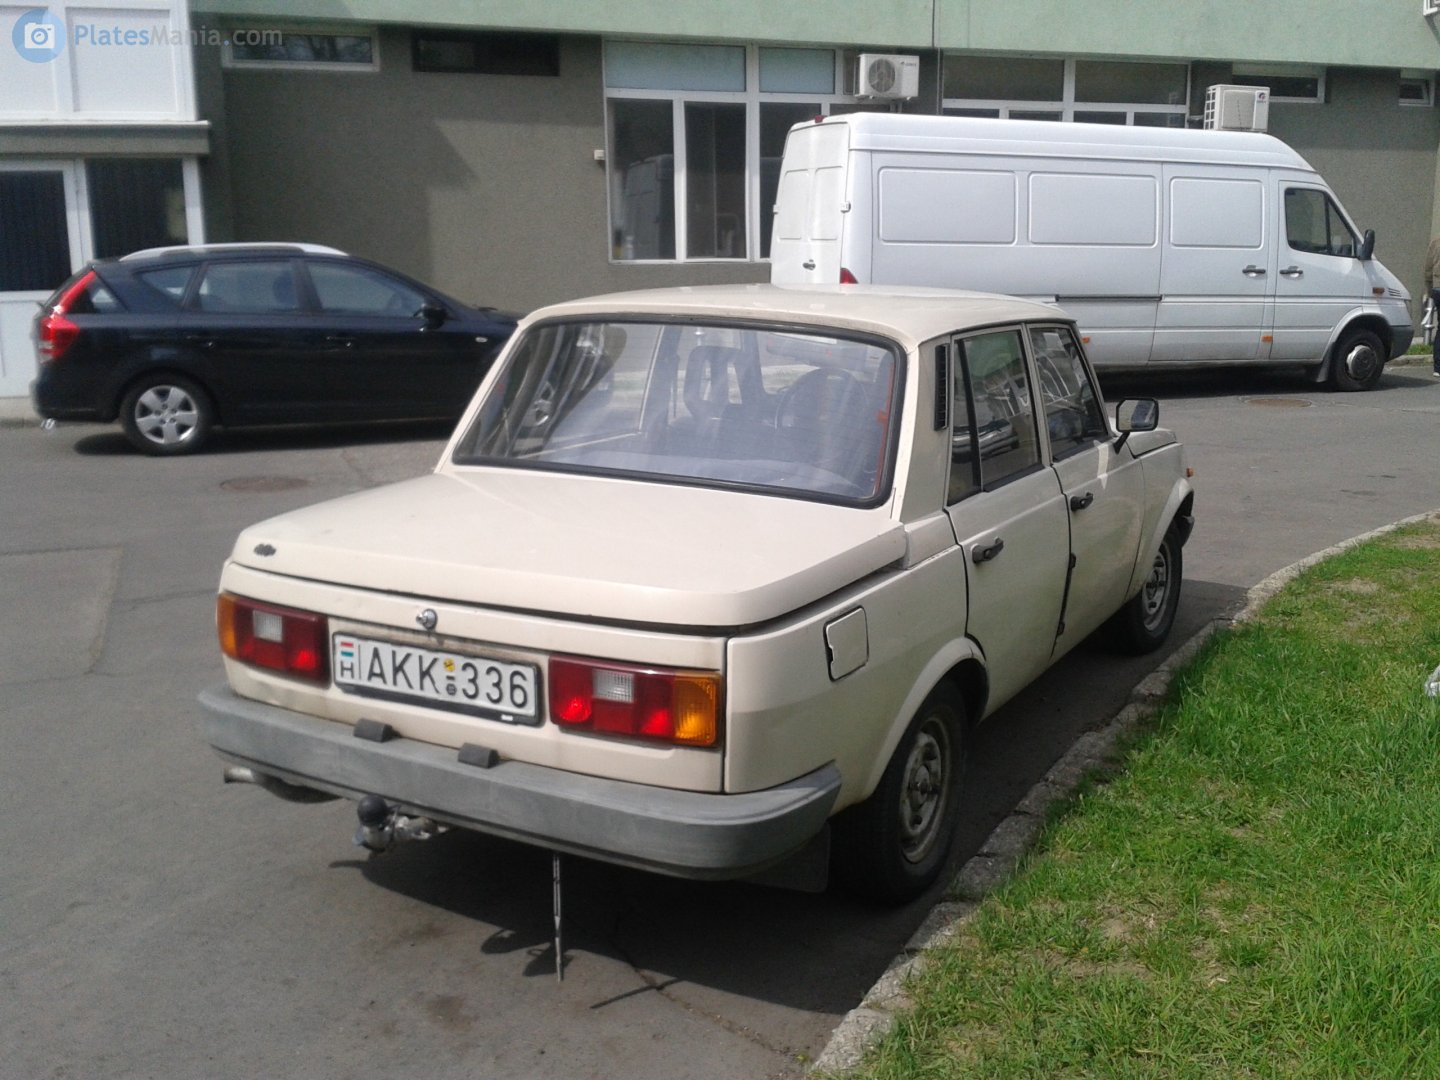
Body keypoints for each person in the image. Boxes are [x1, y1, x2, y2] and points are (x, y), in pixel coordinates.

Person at [1425, 235, 1440, 376]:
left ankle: (1438, 367)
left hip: (1437, 288)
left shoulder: (1435, 242)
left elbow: (1428, 269)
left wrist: (1429, 291)